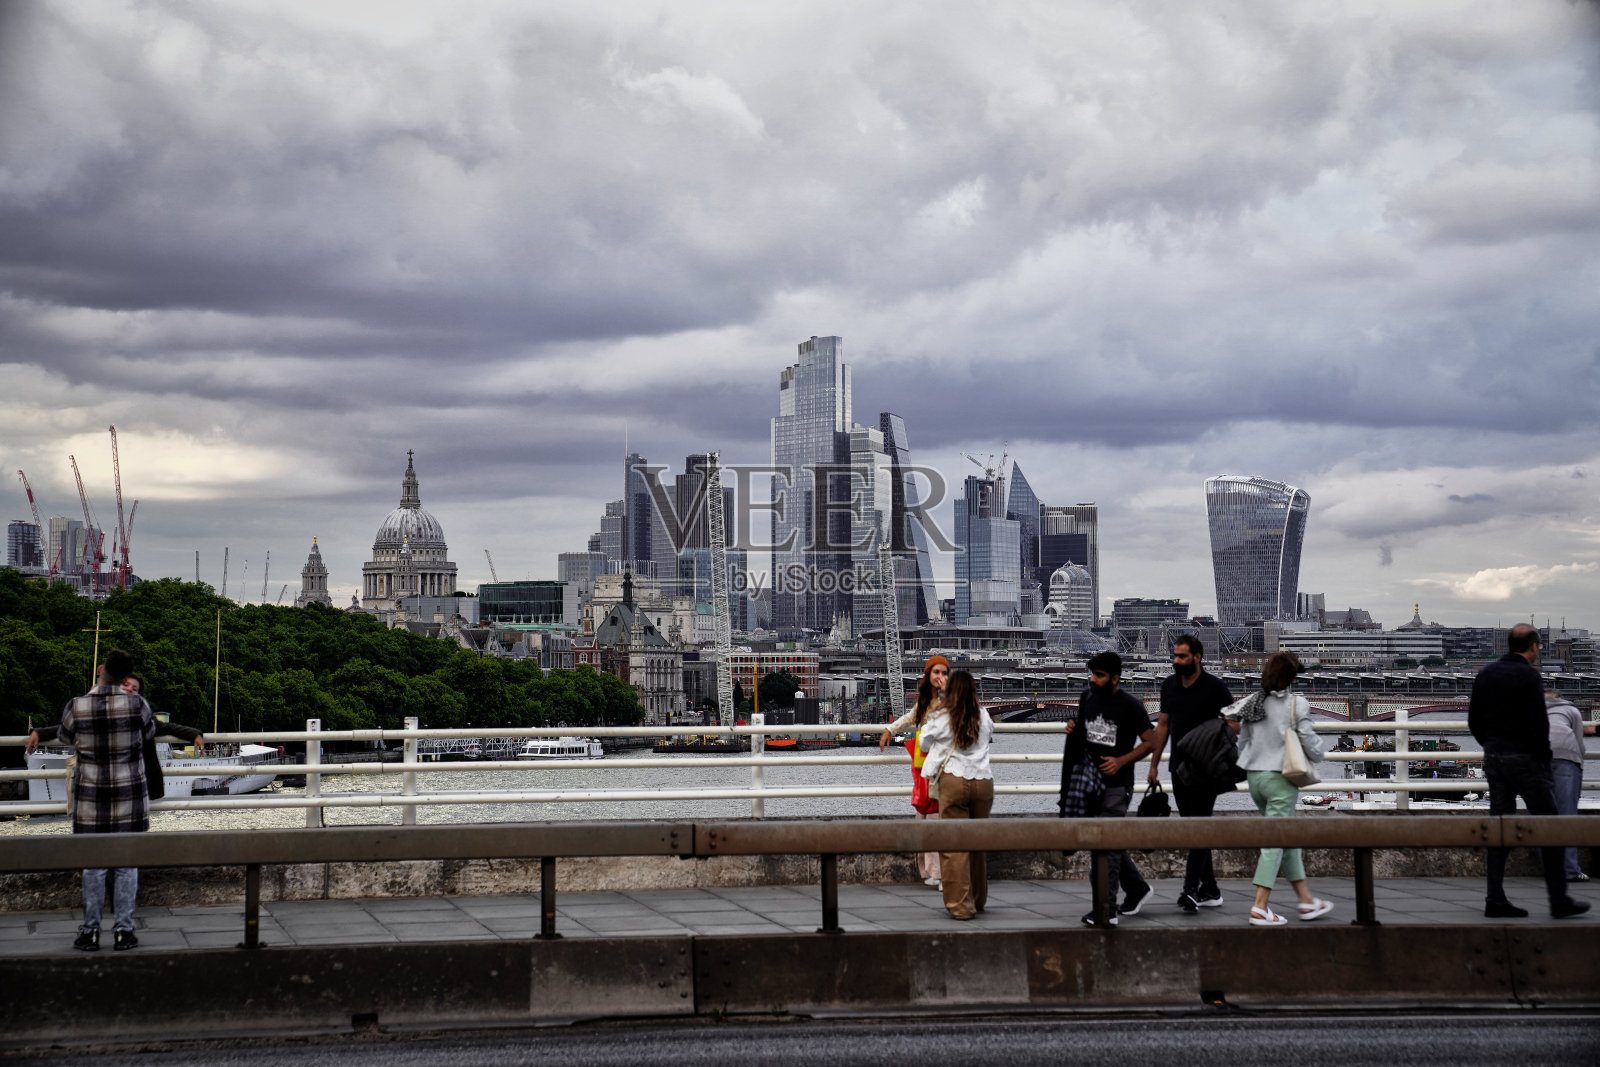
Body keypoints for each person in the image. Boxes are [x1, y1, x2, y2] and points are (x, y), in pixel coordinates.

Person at [1468, 624, 1589, 919]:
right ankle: (1558, 899)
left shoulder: (1486, 673)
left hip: (1495, 759)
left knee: (1500, 828)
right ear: (1533, 646)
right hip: (1525, 760)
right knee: (1550, 826)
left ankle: (1494, 898)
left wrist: (1492, 746)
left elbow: (1474, 720)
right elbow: (1539, 724)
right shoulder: (1529, 676)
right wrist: (1544, 762)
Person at [53, 650, 158, 950]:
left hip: (91, 798)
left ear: (102, 670)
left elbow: (64, 737)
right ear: (126, 677)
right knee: (126, 865)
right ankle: (124, 930)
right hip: (130, 796)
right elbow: (149, 732)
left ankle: (91, 931)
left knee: (93, 866)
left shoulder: (78, 705)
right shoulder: (137, 704)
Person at [1223, 652, 1333, 926]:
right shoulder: (1297, 704)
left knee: (1286, 838)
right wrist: (1320, 754)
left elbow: (1243, 740)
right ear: (1292, 677)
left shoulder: (1255, 701)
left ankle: (1306, 900)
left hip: (1255, 778)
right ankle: (1260, 907)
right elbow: (1309, 741)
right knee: (1274, 842)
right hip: (1281, 778)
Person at [1062, 650, 1154, 927]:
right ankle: (1137, 889)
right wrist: (1073, 727)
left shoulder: (1130, 705)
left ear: (1115, 678)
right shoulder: (1087, 698)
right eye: (1091, 673)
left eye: (1099, 675)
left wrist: (1121, 761)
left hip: (1117, 785)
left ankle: (1107, 909)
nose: (1092, 679)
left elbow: (1151, 741)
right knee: (1103, 843)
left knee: (1105, 849)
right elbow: (1083, 728)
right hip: (1090, 783)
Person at [1146, 635, 1235, 912]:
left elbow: (1234, 723)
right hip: (1179, 768)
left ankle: (1190, 891)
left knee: (1198, 825)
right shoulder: (1169, 686)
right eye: (1175, 656)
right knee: (1191, 828)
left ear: (1197, 657)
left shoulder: (1215, 688)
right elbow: (1162, 725)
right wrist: (1154, 763)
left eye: (1182, 656)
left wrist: (1208, 734)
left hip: (1207, 769)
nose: (1176, 661)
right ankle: (1211, 889)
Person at [917, 669, 995, 920]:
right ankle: (978, 899)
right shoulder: (983, 714)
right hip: (983, 782)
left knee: (953, 846)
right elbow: (989, 735)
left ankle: (961, 905)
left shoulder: (942, 716)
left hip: (954, 780)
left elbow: (923, 743)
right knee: (978, 843)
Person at [880, 655, 951, 886]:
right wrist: (890, 729)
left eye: (944, 673)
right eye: (936, 672)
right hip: (923, 769)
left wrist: (947, 695)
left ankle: (940, 872)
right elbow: (910, 718)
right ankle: (929, 871)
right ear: (928, 675)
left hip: (944, 769)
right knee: (924, 819)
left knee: (937, 820)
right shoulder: (923, 702)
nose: (940, 677)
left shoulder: (952, 700)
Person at [1545, 688, 1594, 883]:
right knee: (1567, 815)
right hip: (1566, 758)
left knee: (1540, 817)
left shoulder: (1532, 709)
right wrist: (1579, 766)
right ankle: (1570, 870)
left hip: (1538, 758)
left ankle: (1548, 869)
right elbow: (1579, 743)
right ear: (1560, 698)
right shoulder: (1571, 710)